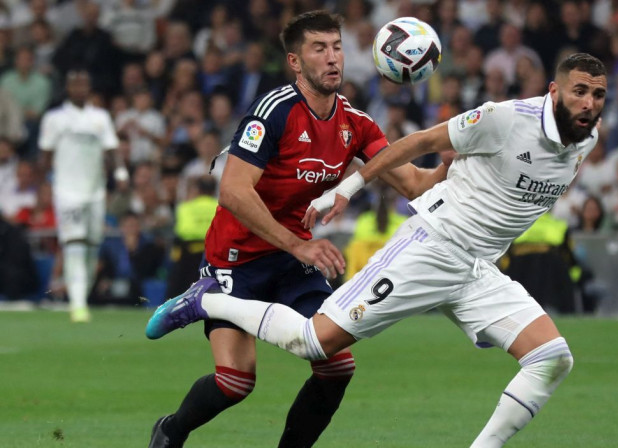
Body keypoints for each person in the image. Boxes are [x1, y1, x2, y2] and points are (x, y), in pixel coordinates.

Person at [147, 53, 608, 447]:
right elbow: (420, 143)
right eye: (579, 91)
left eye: (597, 95)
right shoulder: (505, 118)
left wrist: (456, 173)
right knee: (311, 342)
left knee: (552, 357)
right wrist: (345, 189)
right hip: (432, 246)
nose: (588, 103)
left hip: (476, 268)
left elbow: (433, 178)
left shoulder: (588, 137)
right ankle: (204, 300)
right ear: (554, 90)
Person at [146, 11, 450, 448]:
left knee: (336, 366)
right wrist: (299, 245)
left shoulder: (356, 123)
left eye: (337, 47)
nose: (332, 58)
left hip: (291, 259)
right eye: (319, 48)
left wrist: (448, 163)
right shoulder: (274, 111)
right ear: (295, 61)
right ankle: (171, 430)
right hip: (237, 255)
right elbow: (232, 191)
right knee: (235, 382)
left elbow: (414, 183)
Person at [38, 69, 125, 322]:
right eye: (75, 84)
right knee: (74, 242)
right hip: (66, 189)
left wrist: (120, 173)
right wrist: (43, 186)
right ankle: (77, 304)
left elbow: (112, 148)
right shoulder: (54, 119)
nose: (79, 89)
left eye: (83, 84)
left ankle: (81, 296)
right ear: (68, 87)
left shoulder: (99, 117)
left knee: (92, 244)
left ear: (89, 87)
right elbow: (45, 155)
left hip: (94, 190)